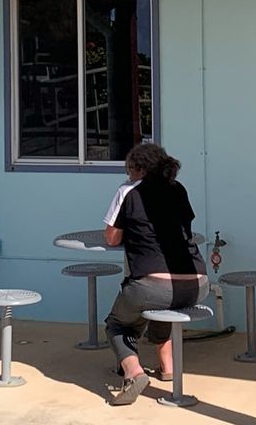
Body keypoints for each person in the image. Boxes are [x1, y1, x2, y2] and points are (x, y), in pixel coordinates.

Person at [100, 143, 208, 406]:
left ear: (139, 169)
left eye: (129, 169)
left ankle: (134, 372)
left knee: (118, 323)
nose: (127, 175)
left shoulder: (128, 190)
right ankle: (167, 367)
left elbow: (112, 238)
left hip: (151, 284)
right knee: (161, 308)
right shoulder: (178, 189)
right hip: (197, 282)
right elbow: (185, 229)